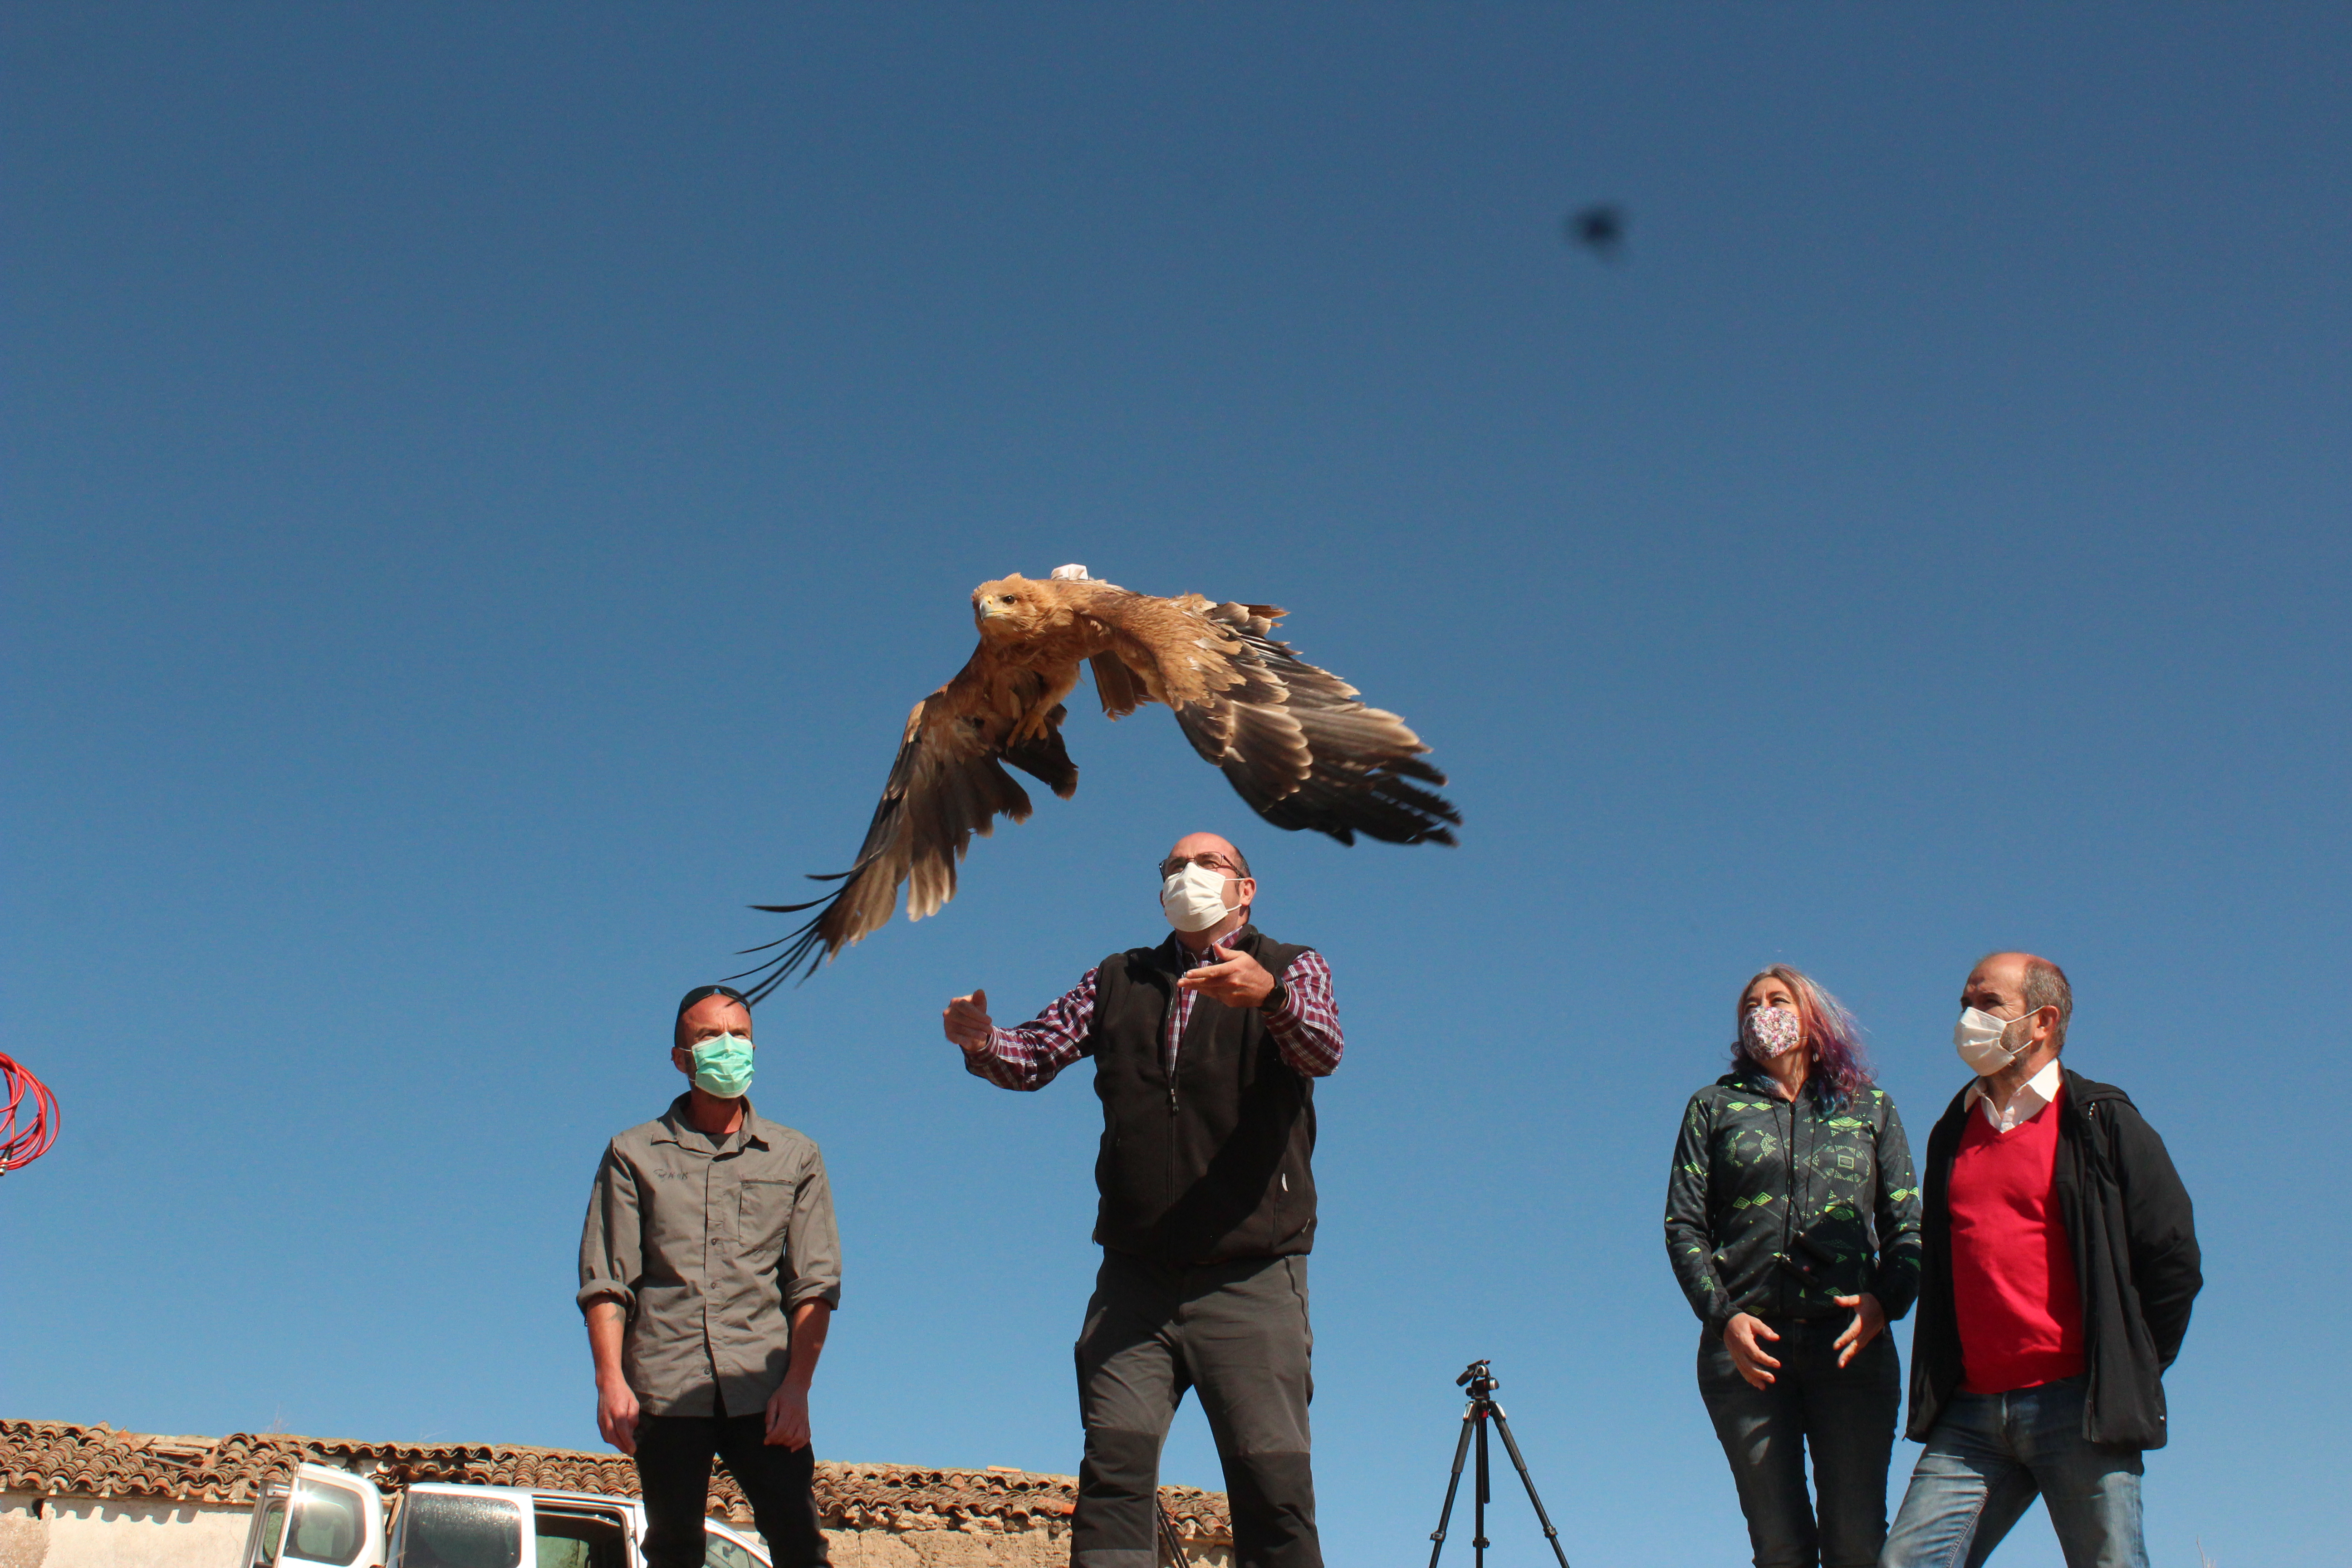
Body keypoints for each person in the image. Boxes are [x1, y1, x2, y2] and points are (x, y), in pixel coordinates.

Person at [941, 832, 1340, 1568]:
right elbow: (1033, 1054)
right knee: (1113, 1476)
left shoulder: (1288, 966)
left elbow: (1321, 1048)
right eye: (1173, 867)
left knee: (1270, 1483)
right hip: (1135, 1280)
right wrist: (980, 1042)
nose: (1187, 875)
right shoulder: (1118, 978)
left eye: (1207, 863)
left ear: (1245, 890)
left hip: (1251, 1274)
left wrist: (1271, 998)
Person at [1882, 953, 2200, 1568]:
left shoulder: (2101, 1120)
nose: (1967, 1018)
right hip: (1971, 1413)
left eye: (1986, 1004)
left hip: (2077, 1405)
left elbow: (2172, 1254)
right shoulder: (1953, 1130)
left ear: (2043, 1021)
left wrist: (2128, 1365)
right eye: (1963, 1004)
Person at [1665, 965, 1923, 1568]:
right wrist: (1724, 1319)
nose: (1763, 1012)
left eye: (1778, 1000)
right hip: (1748, 1354)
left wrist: (1887, 1301)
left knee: (1858, 1540)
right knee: (1780, 1545)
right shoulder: (1714, 1108)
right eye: (1751, 1005)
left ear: (1814, 1020)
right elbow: (1684, 1226)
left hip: (1850, 1349)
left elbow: (1908, 1226)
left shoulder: (1870, 1109)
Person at [578, 984, 842, 1568]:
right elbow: (607, 1278)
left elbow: (815, 1284)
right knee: (673, 1547)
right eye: (708, 1037)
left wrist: (797, 1387)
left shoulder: (795, 1156)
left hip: (766, 1388)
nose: (728, 1047)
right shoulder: (633, 1153)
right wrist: (610, 1382)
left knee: (800, 1543)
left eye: (739, 1036)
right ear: (681, 1057)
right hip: (666, 1387)